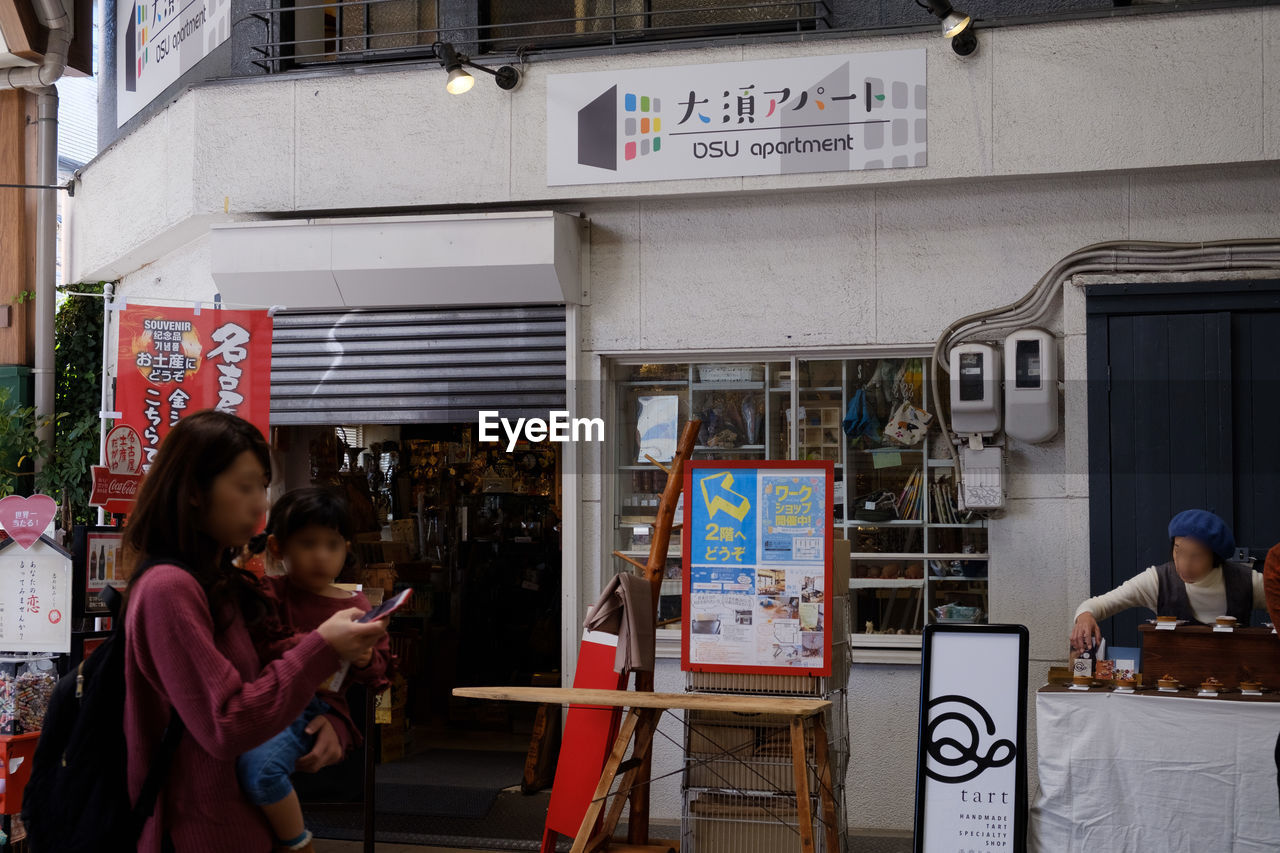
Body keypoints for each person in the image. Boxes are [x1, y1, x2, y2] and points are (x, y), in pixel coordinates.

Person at [123, 411, 390, 853]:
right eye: (245, 487)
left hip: (240, 826)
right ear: (193, 491)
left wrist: (334, 722)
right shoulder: (167, 590)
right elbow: (226, 723)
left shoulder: (218, 582)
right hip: (200, 833)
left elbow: (267, 687)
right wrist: (322, 646)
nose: (260, 504)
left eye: (263, 488)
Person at [237, 488, 392, 852]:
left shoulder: (355, 604)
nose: (321, 555)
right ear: (277, 548)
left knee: (262, 772)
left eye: (332, 544)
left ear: (346, 548)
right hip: (266, 700)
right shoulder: (268, 594)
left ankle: (298, 842)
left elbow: (378, 673)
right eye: (307, 544)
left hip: (311, 710)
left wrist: (367, 659)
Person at [1070, 508, 1265, 651]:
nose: (1184, 564)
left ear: (1216, 556)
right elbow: (1099, 604)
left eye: (1196, 556)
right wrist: (1085, 616)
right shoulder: (1158, 580)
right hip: (1170, 690)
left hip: (1236, 689)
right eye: (1178, 551)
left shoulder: (1248, 582)